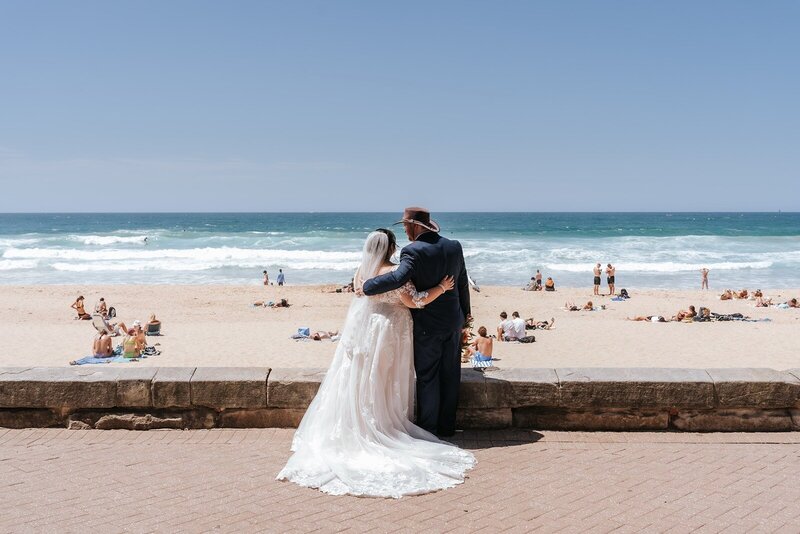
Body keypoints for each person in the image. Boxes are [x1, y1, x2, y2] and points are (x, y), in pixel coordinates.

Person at [278, 227, 475, 497]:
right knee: (389, 377)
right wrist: (441, 288)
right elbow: (415, 301)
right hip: (391, 331)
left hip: (368, 330)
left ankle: (363, 420)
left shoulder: (361, 272)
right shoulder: (396, 272)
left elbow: (367, 292)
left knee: (364, 376)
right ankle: (392, 424)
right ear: (392, 248)